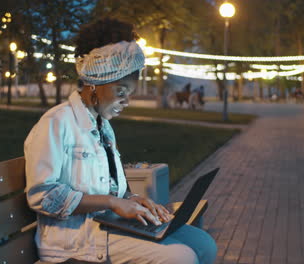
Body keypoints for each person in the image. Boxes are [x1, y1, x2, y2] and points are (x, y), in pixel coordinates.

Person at [24, 18, 217, 264]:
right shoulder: (56, 123)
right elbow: (42, 195)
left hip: (107, 227)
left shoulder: (103, 127)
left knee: (203, 245)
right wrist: (112, 203)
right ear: (95, 84)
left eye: (130, 94)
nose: (126, 102)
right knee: (181, 257)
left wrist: (133, 201)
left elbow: (113, 189)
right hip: (74, 241)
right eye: (121, 91)